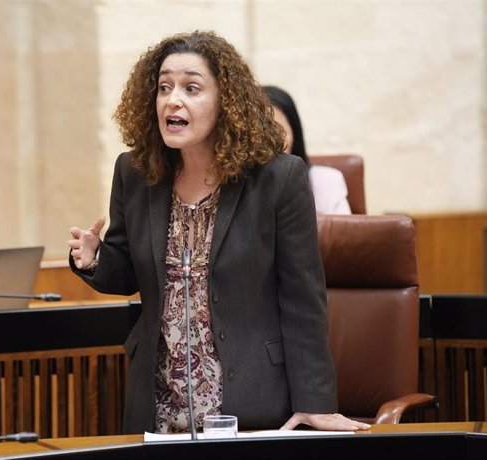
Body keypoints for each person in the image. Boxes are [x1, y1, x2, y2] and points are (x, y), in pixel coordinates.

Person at [67, 31, 369, 434]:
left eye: (192, 88)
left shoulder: (278, 179)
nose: (173, 99)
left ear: (226, 102)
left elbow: (303, 298)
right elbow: (129, 273)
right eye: (164, 87)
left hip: (250, 396)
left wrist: (316, 402)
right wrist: (97, 257)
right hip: (158, 397)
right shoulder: (135, 174)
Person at [264, 85, 352, 215]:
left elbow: (345, 233)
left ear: (294, 131)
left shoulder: (328, 182)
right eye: (260, 132)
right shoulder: (240, 189)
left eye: (277, 131)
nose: (269, 141)